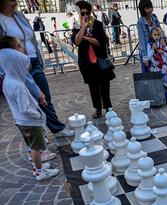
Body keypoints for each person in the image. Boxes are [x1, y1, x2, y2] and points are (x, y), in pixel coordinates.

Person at [0, 0, 74, 138]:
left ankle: (57, 129)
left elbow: (31, 38)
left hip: (33, 61)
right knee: (30, 102)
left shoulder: (19, 16)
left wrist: (37, 57)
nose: (15, 2)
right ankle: (38, 142)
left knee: (45, 97)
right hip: (18, 67)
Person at [0, 36, 59, 181]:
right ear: (17, 62)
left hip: (22, 122)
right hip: (30, 122)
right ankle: (39, 171)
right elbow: (25, 108)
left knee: (33, 146)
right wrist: (38, 116)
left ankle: (38, 167)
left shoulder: (9, 80)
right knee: (35, 147)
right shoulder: (18, 85)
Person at [71, 0, 116, 119]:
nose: (85, 16)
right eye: (82, 13)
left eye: (87, 13)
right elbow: (76, 41)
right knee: (93, 86)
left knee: (104, 84)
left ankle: (108, 107)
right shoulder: (76, 26)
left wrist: (86, 37)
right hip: (86, 62)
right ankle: (97, 108)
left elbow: (101, 42)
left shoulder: (97, 24)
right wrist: (84, 28)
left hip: (100, 59)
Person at [147, 26, 167, 104]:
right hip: (154, 67)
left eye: (158, 35)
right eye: (155, 35)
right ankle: (157, 98)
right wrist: (153, 49)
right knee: (156, 83)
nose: (156, 36)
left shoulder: (162, 44)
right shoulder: (149, 44)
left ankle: (165, 97)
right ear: (151, 35)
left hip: (163, 66)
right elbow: (148, 57)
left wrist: (163, 52)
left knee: (164, 82)